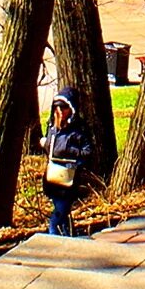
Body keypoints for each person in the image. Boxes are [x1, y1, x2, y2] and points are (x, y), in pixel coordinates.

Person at [41, 90, 96, 237]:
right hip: (53, 176)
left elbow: (88, 152)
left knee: (58, 215)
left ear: (71, 109)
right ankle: (67, 237)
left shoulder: (78, 130)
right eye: (57, 107)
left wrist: (70, 151)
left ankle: (53, 238)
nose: (60, 111)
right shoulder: (52, 128)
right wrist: (46, 144)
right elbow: (50, 150)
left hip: (69, 177)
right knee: (62, 212)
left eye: (63, 107)